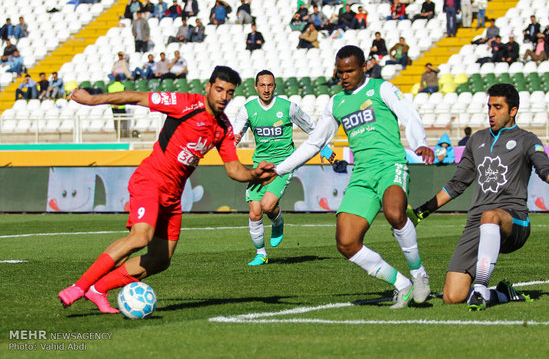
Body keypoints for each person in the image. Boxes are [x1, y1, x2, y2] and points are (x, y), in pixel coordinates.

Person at [58, 66, 275, 313]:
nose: (223, 97)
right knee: (140, 237)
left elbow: (234, 169)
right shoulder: (184, 103)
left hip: (173, 196)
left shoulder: (223, 128)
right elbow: (136, 97)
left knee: (161, 260)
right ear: (208, 87)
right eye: (219, 89)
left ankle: (98, 289)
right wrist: (92, 100)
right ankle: (79, 286)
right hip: (150, 180)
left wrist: (254, 173)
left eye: (229, 92)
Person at [272, 45, 435, 308]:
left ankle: (419, 275)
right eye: (340, 72)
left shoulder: (381, 89)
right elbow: (315, 143)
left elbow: (409, 115)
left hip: (389, 165)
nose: (344, 77)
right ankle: (401, 284)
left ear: (363, 68)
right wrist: (280, 169)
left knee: (395, 213)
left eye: (349, 71)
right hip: (361, 174)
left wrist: (420, 143)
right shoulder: (336, 103)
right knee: (346, 242)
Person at [412, 83, 549, 310]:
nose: (491, 112)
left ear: (513, 111)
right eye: (489, 106)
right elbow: (456, 184)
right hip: (477, 222)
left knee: (490, 215)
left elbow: (545, 170)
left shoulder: (527, 140)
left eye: (497, 107)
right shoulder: (477, 140)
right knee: (453, 296)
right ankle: (501, 293)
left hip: (514, 220)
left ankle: (480, 288)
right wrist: (422, 211)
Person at [233, 70, 316, 265]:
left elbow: (313, 128)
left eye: (270, 85)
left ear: (274, 86)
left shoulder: (288, 108)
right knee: (254, 212)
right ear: (256, 87)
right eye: (262, 85)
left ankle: (277, 222)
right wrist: (233, 140)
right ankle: (261, 254)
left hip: (283, 164)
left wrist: (326, 150)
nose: (266, 89)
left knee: (267, 206)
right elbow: (235, 134)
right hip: (260, 164)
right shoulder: (247, 109)